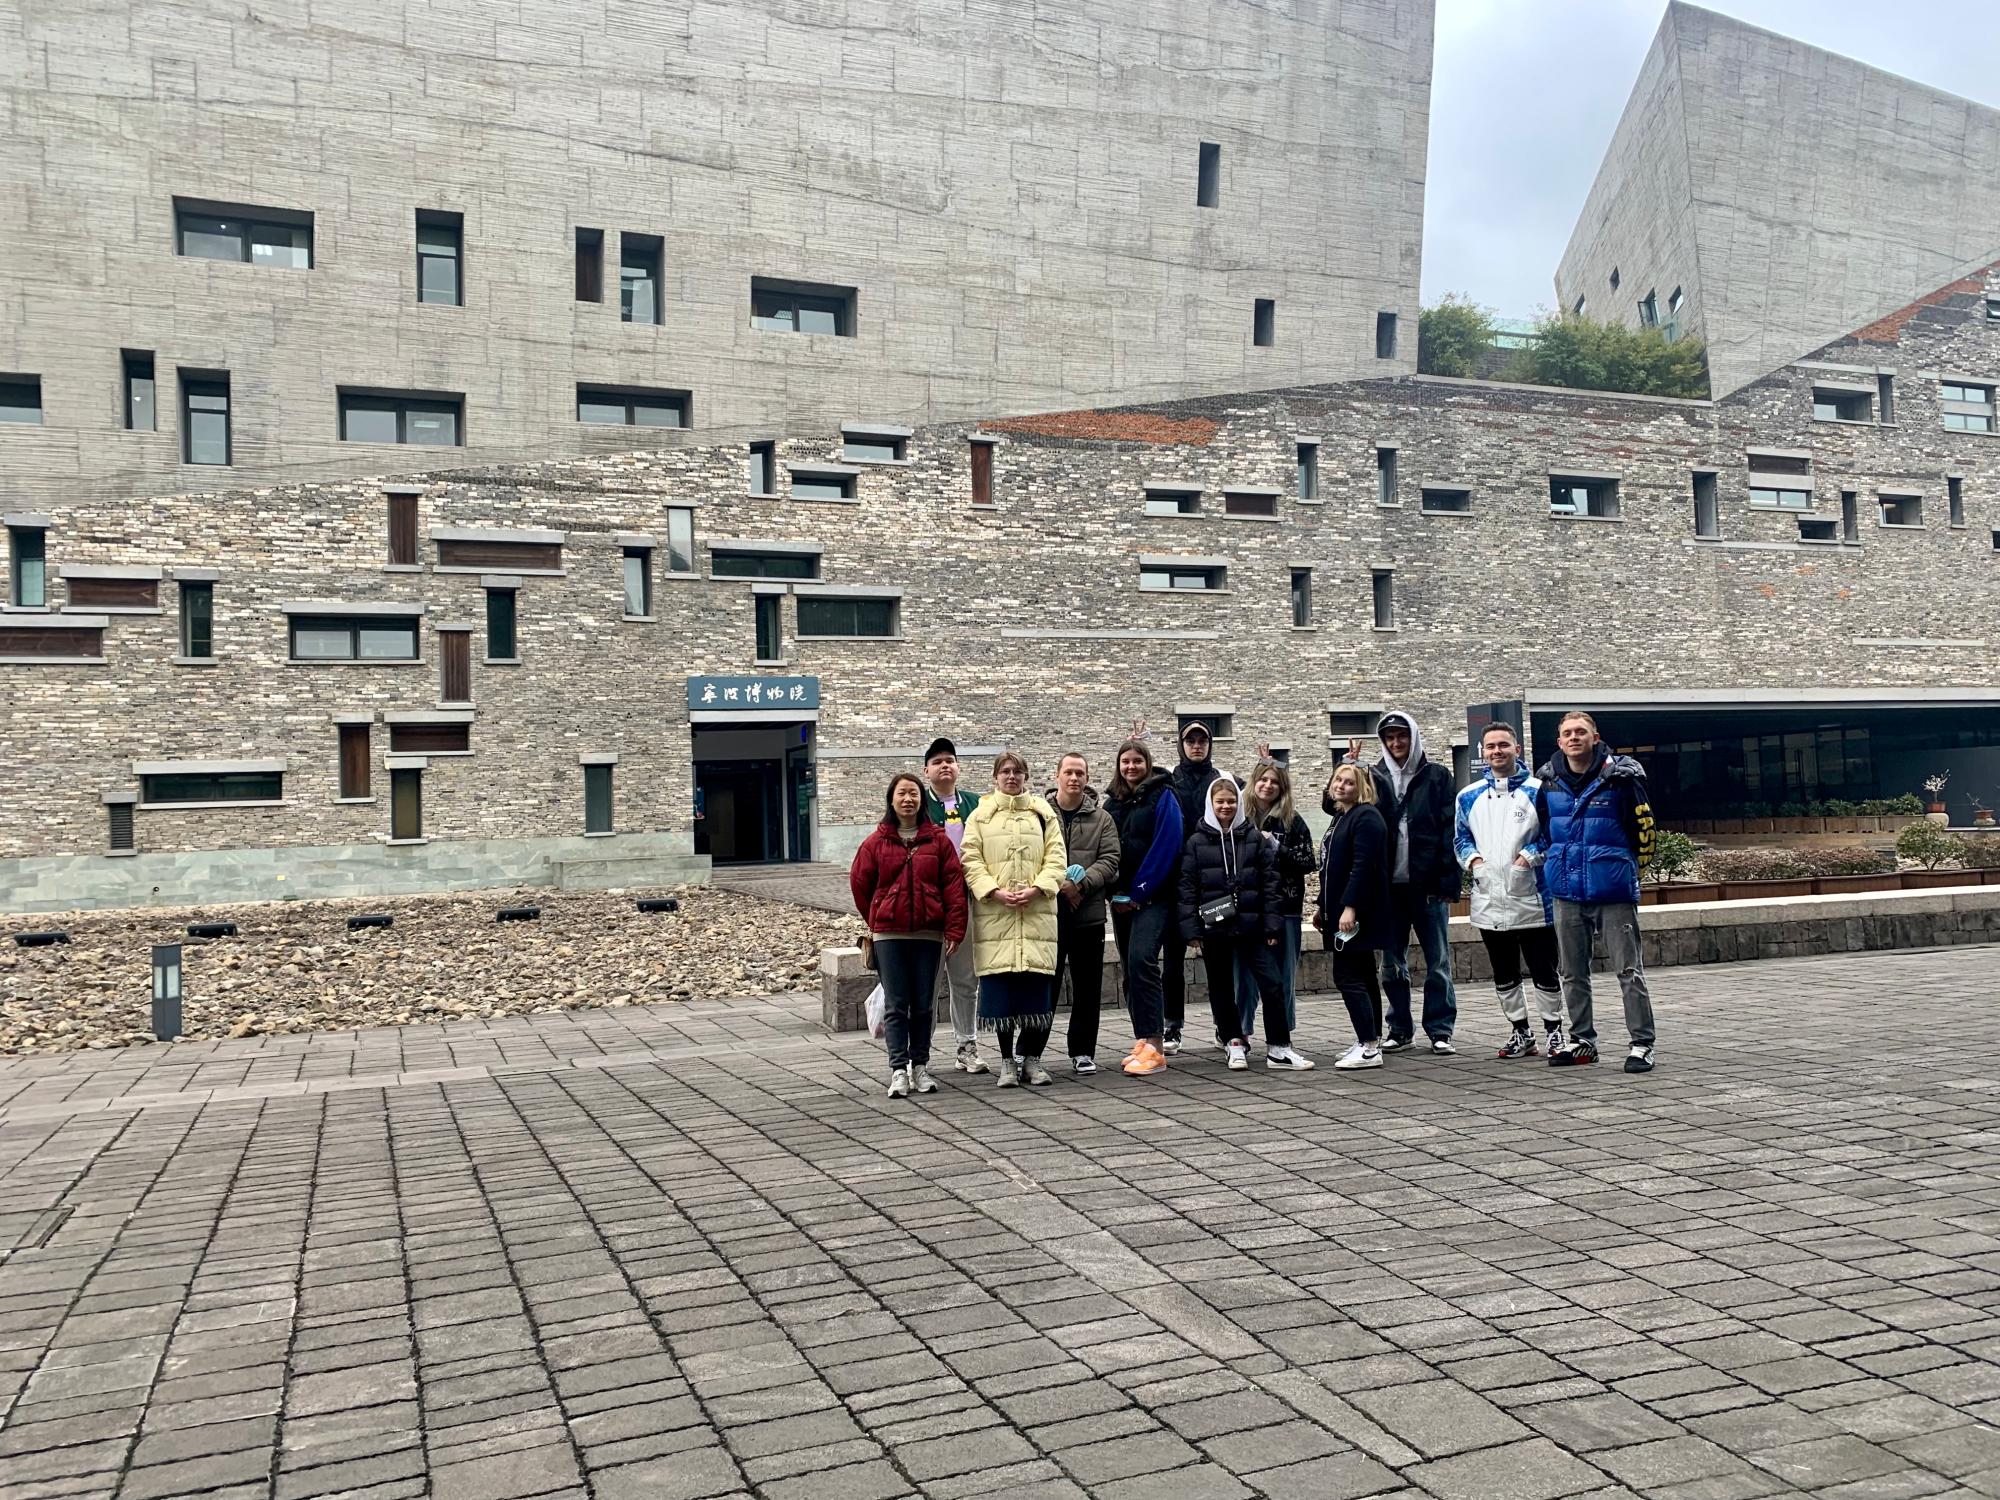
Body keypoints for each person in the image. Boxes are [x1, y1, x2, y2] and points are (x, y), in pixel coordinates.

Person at [1534, 712, 1658, 1073]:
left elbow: (1645, 832)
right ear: (1559, 742)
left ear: (1595, 737)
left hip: (1613, 891)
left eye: (1581, 732)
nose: (1574, 738)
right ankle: (1582, 1041)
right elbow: (1545, 832)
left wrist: (1629, 872)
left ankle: (1642, 1044)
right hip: (1567, 892)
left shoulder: (1622, 779)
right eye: (1567, 733)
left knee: (1629, 971)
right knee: (1572, 972)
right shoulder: (1549, 783)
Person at [1335, 712, 1459, 1054]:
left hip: (1427, 886)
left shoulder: (1437, 776)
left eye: (1401, 735)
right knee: (1391, 964)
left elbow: (1449, 830)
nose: (1396, 742)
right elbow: (1335, 805)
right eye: (1389, 737)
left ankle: (1440, 1029)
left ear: (1413, 737)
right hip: (1389, 889)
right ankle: (1400, 1028)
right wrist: (1348, 765)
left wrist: (1448, 883)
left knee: (1438, 963)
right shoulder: (1372, 775)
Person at [849, 773, 969, 1098]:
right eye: (901, 793)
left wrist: (955, 928)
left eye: (913, 793)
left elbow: (953, 887)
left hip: (929, 935)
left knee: (924, 1005)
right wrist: (878, 915)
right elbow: (860, 883)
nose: (908, 799)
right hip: (889, 936)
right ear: (891, 799)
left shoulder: (939, 841)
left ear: (921, 800)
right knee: (896, 1003)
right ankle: (898, 1070)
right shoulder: (876, 842)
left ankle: (921, 1067)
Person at [1177, 773, 1308, 1071]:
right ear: (1211, 805)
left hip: (1252, 926)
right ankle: (1233, 1042)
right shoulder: (1196, 842)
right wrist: (1191, 929)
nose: (1226, 807)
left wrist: (1272, 925)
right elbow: (1187, 888)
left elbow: (1270, 883)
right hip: (1215, 926)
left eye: (1231, 801)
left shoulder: (1253, 837)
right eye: (1220, 802)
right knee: (1222, 987)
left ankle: (1279, 1047)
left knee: (1272, 983)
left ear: (1239, 803)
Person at [1454, 722, 1565, 1059]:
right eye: (1490, 746)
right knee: (1503, 971)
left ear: (1517, 749)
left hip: (1533, 899)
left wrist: (1527, 857)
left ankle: (1554, 1031)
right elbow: (1460, 838)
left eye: (1503, 745)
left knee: (1544, 969)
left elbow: (1553, 834)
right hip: (1489, 898)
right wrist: (1474, 862)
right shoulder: (1468, 796)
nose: (1497, 751)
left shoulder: (1540, 790)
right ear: (1483, 752)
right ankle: (1521, 1031)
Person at [959, 751, 1068, 1087]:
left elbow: (1057, 858)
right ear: (995, 777)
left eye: (1017, 771)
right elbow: (970, 859)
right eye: (1005, 771)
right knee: (1002, 991)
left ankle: (1032, 1060)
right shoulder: (980, 816)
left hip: (1037, 915)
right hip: (996, 916)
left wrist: (1038, 888)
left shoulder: (1042, 813)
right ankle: (1007, 1061)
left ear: (1026, 776)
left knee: (1035, 991)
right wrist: (993, 891)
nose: (1011, 776)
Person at [1104, 738, 1183, 1077]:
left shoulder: (1163, 795)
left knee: (1142, 960)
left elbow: (1168, 844)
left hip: (1155, 896)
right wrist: (1115, 892)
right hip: (1122, 901)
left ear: (1147, 764)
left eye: (1137, 761)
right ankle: (1143, 1039)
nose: (1131, 767)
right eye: (1126, 761)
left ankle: (1156, 1045)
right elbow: (1105, 850)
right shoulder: (1112, 803)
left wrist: (1139, 890)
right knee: (1129, 968)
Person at [1046, 752, 1120, 1074]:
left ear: (1087, 778)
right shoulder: (1040, 815)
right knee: (1045, 987)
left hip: (1088, 915)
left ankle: (1082, 1051)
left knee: (1087, 988)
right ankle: (1030, 1050)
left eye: (1080, 773)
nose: (1074, 778)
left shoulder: (1102, 819)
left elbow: (1110, 859)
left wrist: (1080, 885)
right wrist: (1059, 886)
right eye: (1069, 772)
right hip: (1048, 915)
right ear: (1057, 775)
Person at [1238, 760, 1317, 1064]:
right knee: (1243, 977)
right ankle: (1240, 1034)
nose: (1268, 785)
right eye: (1263, 779)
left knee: (1283, 977)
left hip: (1286, 909)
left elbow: (1308, 862)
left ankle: (1282, 1038)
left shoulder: (1292, 821)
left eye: (1274, 781)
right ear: (1253, 782)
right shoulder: (1240, 819)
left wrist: (1276, 847)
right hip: (1247, 911)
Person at [1314, 762, 1391, 1070]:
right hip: (1339, 909)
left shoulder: (1366, 817)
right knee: (1363, 974)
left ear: (1362, 787)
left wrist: (1350, 906)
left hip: (1356, 914)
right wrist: (1322, 905)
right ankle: (1370, 1038)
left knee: (1347, 976)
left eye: (1348, 782)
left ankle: (1369, 1046)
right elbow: (1331, 867)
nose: (1341, 785)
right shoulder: (1342, 817)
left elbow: (1363, 866)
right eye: (1338, 780)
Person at [920, 736, 989, 1075]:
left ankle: (967, 1045)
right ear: (926, 771)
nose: (944, 766)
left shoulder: (978, 804)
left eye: (949, 760)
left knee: (966, 979)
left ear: (958, 767)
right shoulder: (918, 805)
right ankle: (920, 1051)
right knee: (927, 983)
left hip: (968, 900)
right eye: (937, 762)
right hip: (931, 904)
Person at [1164, 721, 1220, 1052]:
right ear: (1181, 745)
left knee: (1217, 959)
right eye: (1190, 741)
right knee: (1172, 960)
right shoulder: (1170, 781)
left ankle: (1223, 1024)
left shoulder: (1220, 781)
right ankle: (1172, 1024)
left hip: (1211, 883)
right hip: (1176, 883)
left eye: (1202, 740)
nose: (1196, 746)